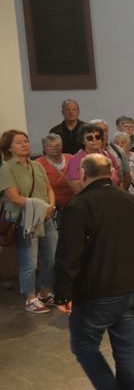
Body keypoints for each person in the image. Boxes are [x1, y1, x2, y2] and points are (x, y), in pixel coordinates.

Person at [52, 153, 134, 390]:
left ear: (83, 173)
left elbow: (68, 255)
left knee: (83, 345)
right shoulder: (130, 200)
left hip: (97, 292)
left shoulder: (79, 206)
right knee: (126, 349)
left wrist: (63, 293)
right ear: (112, 173)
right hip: (132, 287)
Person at [2, 129, 57, 313]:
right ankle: (30, 297)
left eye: (25, 141)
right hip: (24, 220)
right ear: (9, 148)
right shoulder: (7, 168)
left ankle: (44, 291)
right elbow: (14, 197)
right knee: (30, 262)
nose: (24, 144)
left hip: (45, 217)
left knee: (52, 256)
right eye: (19, 142)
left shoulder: (37, 165)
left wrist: (51, 206)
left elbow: (49, 188)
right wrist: (41, 206)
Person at [65, 123, 120, 192]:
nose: (94, 140)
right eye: (90, 138)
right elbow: (77, 188)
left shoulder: (108, 156)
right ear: (82, 141)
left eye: (97, 137)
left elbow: (119, 179)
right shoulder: (75, 161)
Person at [36, 134, 74, 210]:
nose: (54, 148)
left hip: (74, 203)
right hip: (52, 206)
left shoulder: (71, 158)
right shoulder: (38, 164)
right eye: (50, 146)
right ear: (44, 148)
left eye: (57, 145)